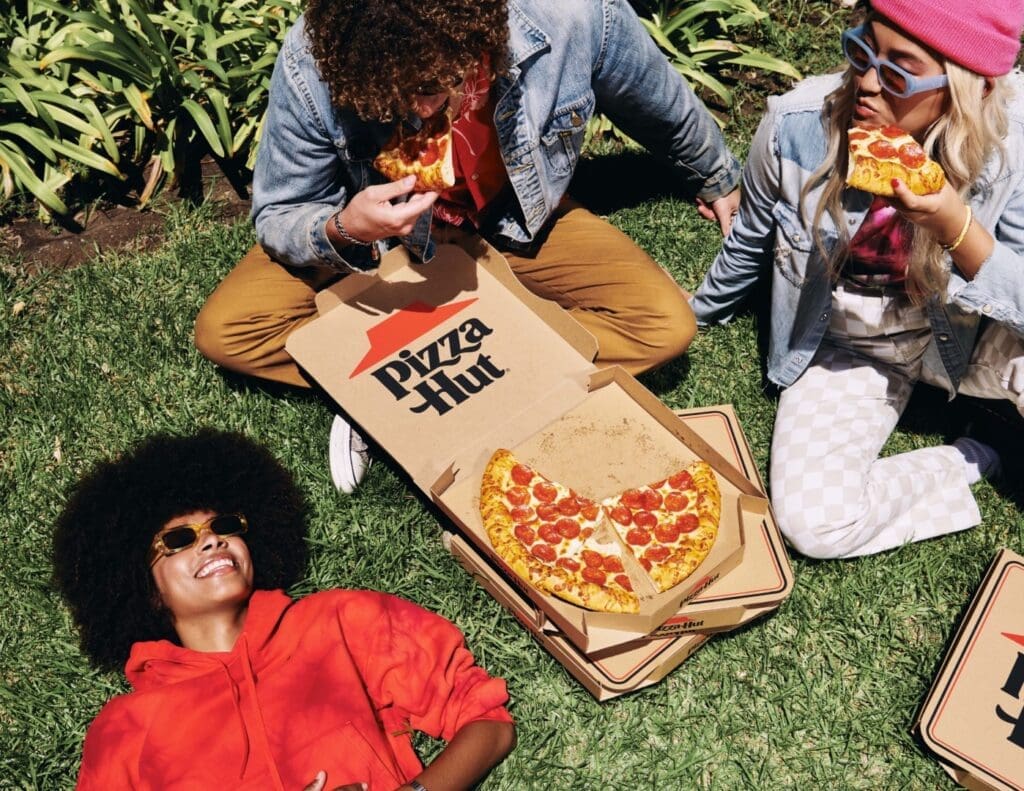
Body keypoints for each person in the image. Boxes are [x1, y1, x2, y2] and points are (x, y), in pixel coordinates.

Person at [192, 0, 742, 493]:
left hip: (512, 220)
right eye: (392, 97)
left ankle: (411, 387)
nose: (417, 111)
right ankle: (432, 385)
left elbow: (655, 97)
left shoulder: (574, 13)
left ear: (473, 31)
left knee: (664, 324)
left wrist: (716, 174)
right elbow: (283, 210)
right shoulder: (314, 58)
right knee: (228, 331)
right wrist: (346, 229)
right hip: (377, 238)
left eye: (432, 86)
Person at [691, 0, 1024, 559]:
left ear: (972, 90)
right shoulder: (798, 125)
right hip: (856, 344)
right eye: (862, 49)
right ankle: (983, 448)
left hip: (971, 333)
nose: (866, 83)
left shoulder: (1010, 147)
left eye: (899, 70)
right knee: (815, 525)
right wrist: (699, 310)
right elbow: (752, 235)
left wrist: (954, 225)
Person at [52, 430, 515, 790]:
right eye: (178, 539)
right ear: (145, 588)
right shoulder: (124, 729)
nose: (212, 539)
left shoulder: (341, 620)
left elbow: (488, 724)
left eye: (224, 526)